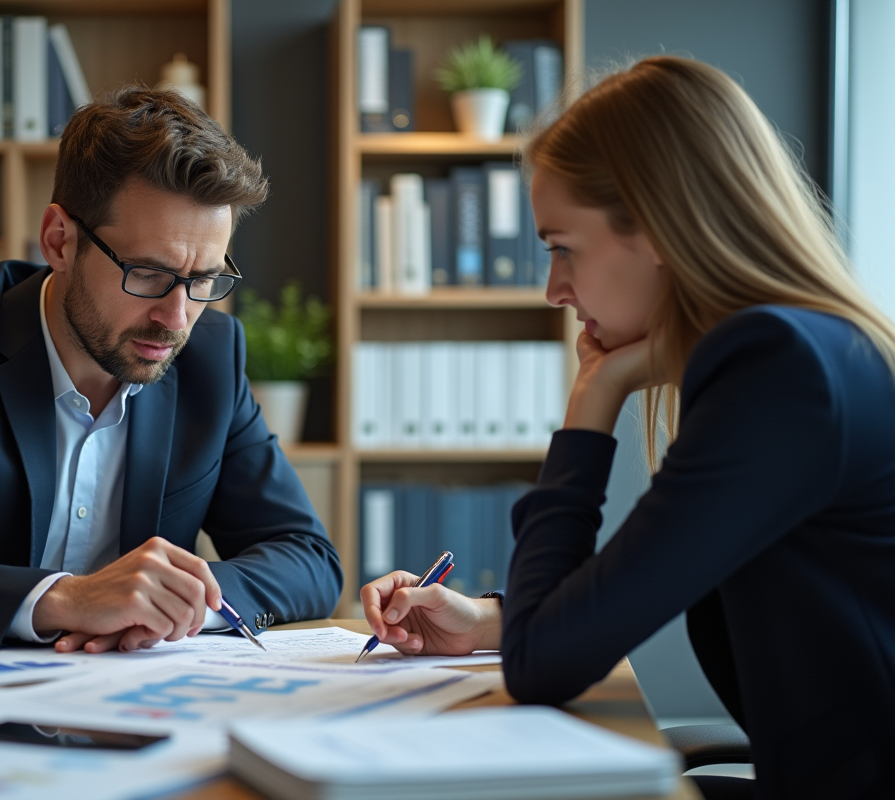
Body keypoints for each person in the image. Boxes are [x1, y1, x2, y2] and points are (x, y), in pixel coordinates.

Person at [361, 57, 895, 800]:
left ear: (653, 227)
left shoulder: (779, 369)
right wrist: (493, 622)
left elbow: (545, 666)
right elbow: (622, 593)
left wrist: (592, 399)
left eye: (560, 248)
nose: (554, 290)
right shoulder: (803, 350)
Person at [0, 87, 342, 654]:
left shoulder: (212, 357)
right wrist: (60, 599)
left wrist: (178, 602)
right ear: (60, 240)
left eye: (204, 279)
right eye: (149, 274)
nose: (176, 318)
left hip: (135, 710)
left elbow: (308, 558)